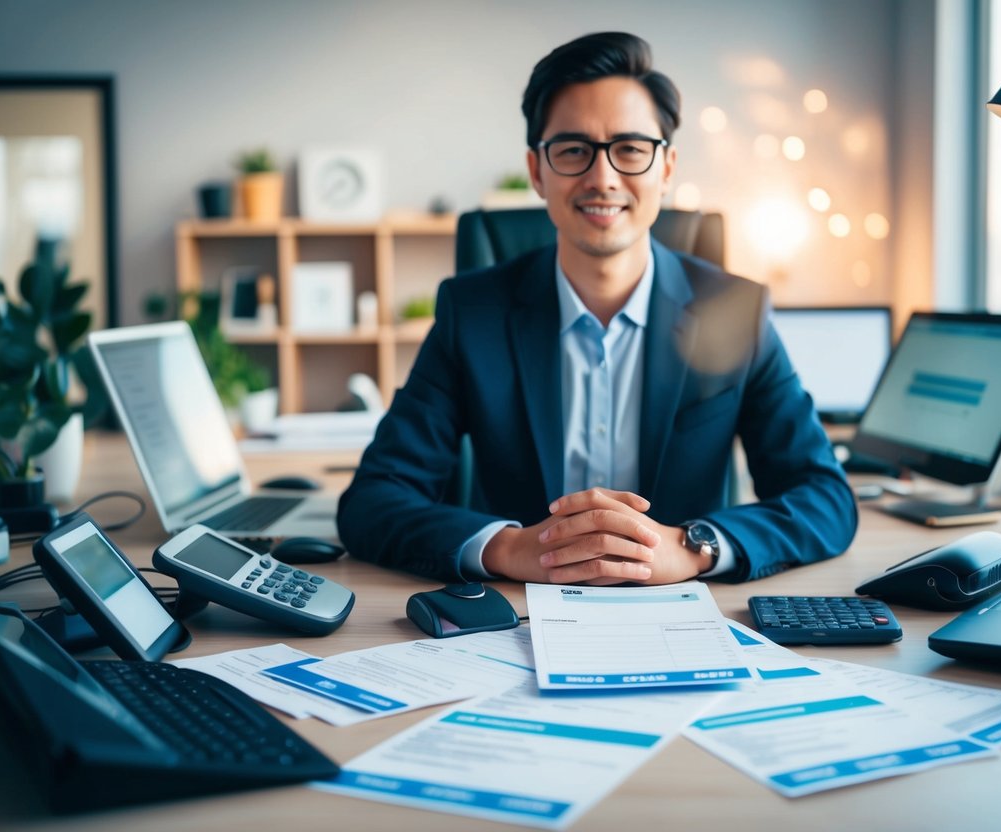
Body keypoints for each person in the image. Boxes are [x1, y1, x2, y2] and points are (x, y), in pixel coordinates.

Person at [337, 32, 857, 585]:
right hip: (516, 613)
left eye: (631, 149)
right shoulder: (474, 314)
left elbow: (824, 497)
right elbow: (373, 500)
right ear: (537, 171)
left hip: (682, 610)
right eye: (573, 150)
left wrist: (693, 546)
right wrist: (507, 548)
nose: (603, 177)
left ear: (666, 167)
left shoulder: (736, 311)